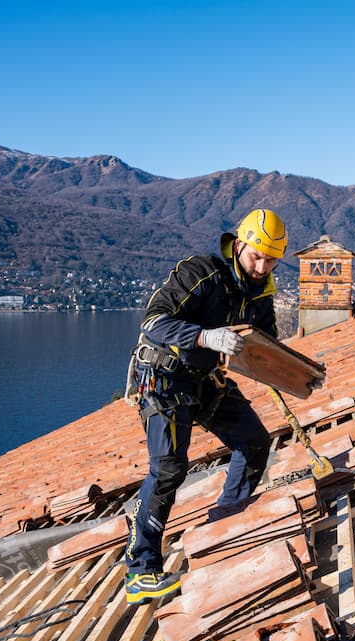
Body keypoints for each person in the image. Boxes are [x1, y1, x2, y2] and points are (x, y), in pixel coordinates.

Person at [121, 208, 286, 605]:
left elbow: (265, 342)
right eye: (256, 257)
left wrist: (292, 372)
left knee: (254, 443)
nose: (261, 267)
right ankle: (140, 571)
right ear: (239, 245)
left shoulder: (261, 291)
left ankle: (223, 526)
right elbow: (153, 322)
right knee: (168, 469)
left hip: (204, 378)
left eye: (270, 261)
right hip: (163, 376)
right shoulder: (201, 272)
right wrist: (204, 337)